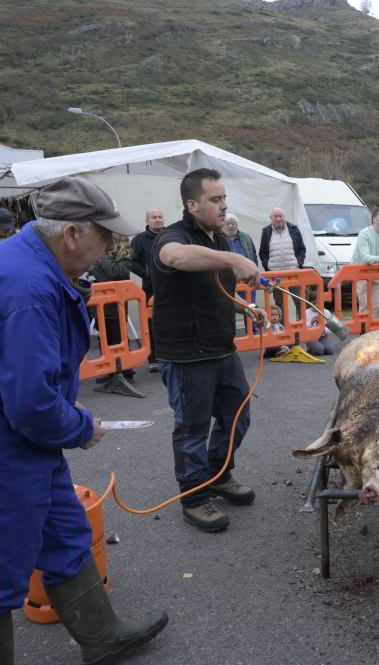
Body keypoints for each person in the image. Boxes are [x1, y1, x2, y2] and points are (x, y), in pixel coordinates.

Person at [0, 176, 168, 665]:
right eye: (105, 236)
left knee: (63, 534)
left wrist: (61, 416)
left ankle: (101, 638)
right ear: (73, 233)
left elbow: (31, 390)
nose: (109, 248)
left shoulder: (31, 264)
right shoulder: (26, 286)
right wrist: (80, 427)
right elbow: (30, 402)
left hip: (17, 434)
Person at [152, 168, 265, 533]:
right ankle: (194, 497)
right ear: (192, 204)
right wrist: (234, 259)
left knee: (237, 415)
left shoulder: (216, 239)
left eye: (223, 198)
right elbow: (176, 258)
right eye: (215, 200)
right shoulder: (173, 237)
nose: (223, 206)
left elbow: (212, 290)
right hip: (186, 355)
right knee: (192, 428)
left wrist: (244, 307)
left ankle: (218, 474)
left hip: (220, 349)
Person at [90, 234, 136, 384]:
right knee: (104, 339)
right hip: (100, 306)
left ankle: (124, 368)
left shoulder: (124, 257)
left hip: (116, 307)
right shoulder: (101, 257)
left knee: (118, 338)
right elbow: (96, 275)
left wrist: (104, 257)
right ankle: (110, 369)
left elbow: (117, 273)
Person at [130, 209, 167, 371]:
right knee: (152, 324)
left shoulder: (171, 235)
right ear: (147, 220)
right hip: (150, 289)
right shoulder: (138, 240)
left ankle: (172, 356)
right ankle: (154, 359)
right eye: (154, 217)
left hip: (173, 286)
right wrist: (148, 274)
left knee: (173, 321)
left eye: (160, 217)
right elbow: (132, 261)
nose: (157, 220)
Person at [258, 207, 305, 271]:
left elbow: (302, 249)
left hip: (294, 271)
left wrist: (299, 263)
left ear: (284, 217)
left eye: (280, 216)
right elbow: (262, 252)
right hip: (274, 274)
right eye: (275, 216)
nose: (278, 219)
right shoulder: (266, 232)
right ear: (271, 218)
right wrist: (267, 265)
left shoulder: (294, 229)